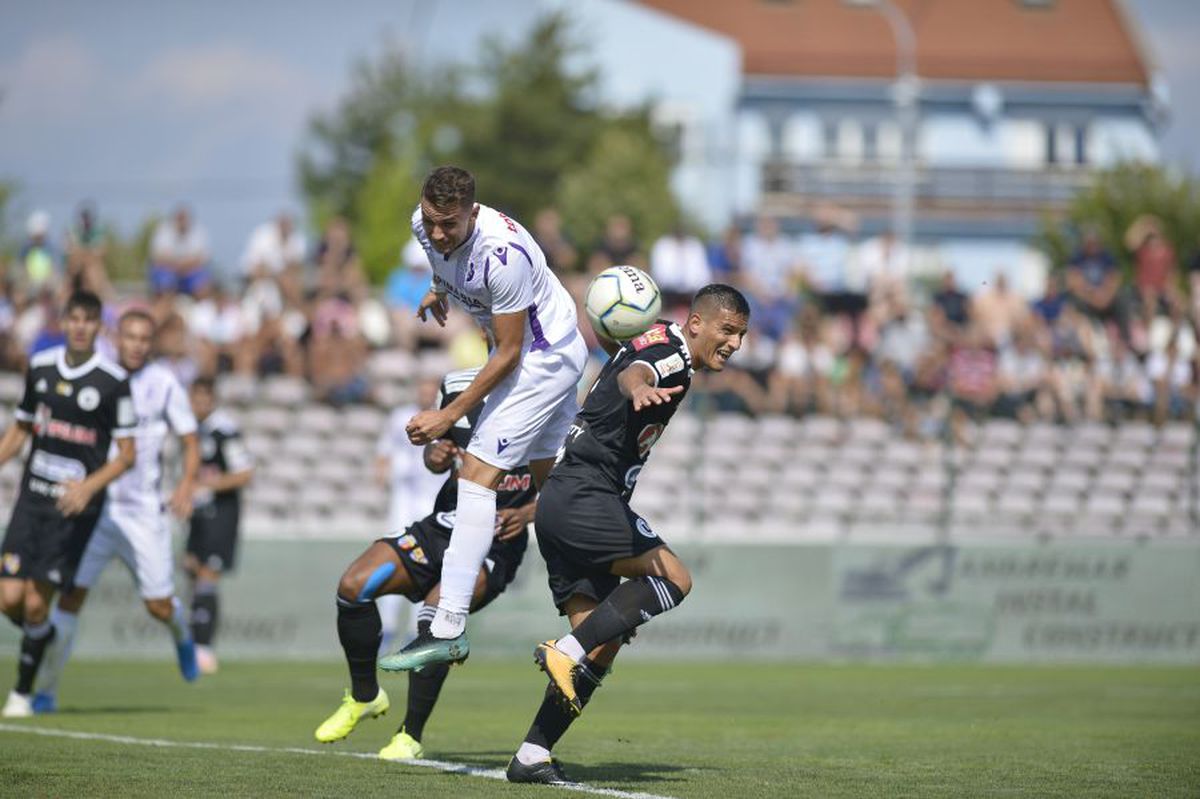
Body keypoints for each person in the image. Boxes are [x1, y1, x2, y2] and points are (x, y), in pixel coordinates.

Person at [507, 284, 750, 785]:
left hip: (561, 499)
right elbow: (642, 374)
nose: (734, 343)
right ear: (697, 322)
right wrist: (638, 387)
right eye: (727, 330)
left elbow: (630, 363)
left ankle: (532, 753)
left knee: (603, 642)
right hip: (586, 497)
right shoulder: (673, 356)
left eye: (742, 334)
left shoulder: (652, 337)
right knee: (675, 580)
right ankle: (566, 649)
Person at [381, 166, 586, 670]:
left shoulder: (504, 256)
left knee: (476, 475)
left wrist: (445, 414)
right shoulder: (422, 226)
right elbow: (443, 260)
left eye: (449, 223)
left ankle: (447, 625)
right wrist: (438, 288)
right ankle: (594, 608)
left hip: (544, 358)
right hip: (538, 352)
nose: (436, 232)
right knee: (554, 487)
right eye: (431, 220)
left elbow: (510, 354)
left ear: (473, 212)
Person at [315, 367, 536, 760]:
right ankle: (365, 696)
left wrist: (530, 512)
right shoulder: (455, 385)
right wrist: (434, 454)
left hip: (496, 541)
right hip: (442, 525)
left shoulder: (544, 389)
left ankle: (410, 734)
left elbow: (566, 480)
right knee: (353, 586)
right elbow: (438, 457)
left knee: (436, 621)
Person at [33, 309, 202, 712]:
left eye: (145, 338)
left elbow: (190, 439)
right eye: (130, 337)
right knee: (69, 598)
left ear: (151, 342)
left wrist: (185, 484)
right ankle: (46, 691)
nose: (137, 345)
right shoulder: (99, 378)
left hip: (144, 511)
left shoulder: (164, 384)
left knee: (158, 605)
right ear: (117, 337)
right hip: (97, 509)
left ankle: (181, 632)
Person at [0, 291, 136, 718]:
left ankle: (22, 693)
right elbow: (20, 431)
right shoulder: (40, 368)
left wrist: (88, 487)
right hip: (31, 499)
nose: (80, 326)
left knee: (38, 603)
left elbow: (127, 454)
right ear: (62, 322)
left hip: (71, 509)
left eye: (88, 320)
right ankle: (44, 638)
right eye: (73, 318)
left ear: (99, 327)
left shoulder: (113, 381)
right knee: (8, 598)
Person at [185, 377, 255, 674]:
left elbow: (244, 473)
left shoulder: (224, 431)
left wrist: (209, 486)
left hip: (222, 512)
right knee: (191, 570)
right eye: (195, 398)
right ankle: (194, 643)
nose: (199, 404)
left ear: (212, 400)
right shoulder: (192, 431)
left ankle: (204, 648)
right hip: (199, 512)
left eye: (204, 399)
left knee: (207, 576)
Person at [373, 374, 447, 653]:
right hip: (404, 498)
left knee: (426, 567)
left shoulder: (444, 419)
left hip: (431, 500)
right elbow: (384, 451)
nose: (426, 394)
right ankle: (387, 628)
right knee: (393, 560)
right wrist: (381, 475)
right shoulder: (400, 417)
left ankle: (418, 631)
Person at [149, 206, 211, 297]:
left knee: (203, 280)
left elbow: (201, 258)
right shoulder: (163, 231)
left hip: (190, 272)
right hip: (169, 271)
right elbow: (158, 257)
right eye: (179, 219)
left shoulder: (198, 232)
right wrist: (178, 266)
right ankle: (165, 305)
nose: (182, 222)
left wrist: (182, 266)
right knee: (165, 279)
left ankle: (201, 307)